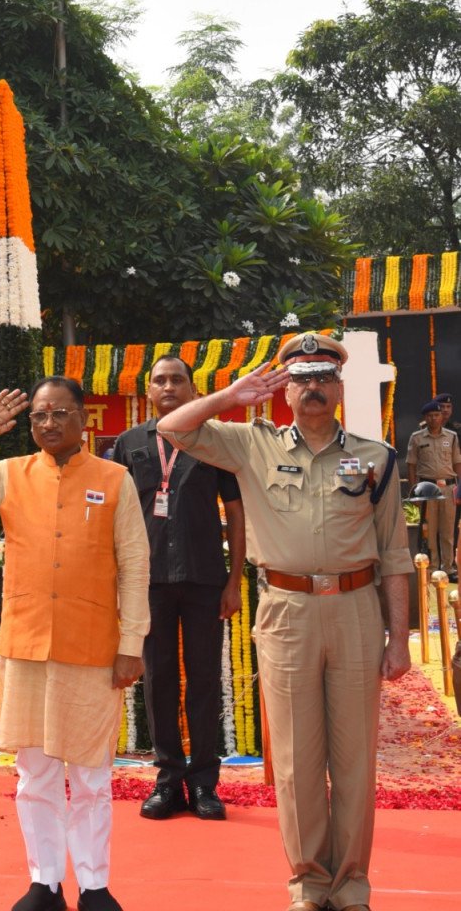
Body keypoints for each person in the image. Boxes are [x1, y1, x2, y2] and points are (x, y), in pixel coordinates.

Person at [157, 332, 411, 911]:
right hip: (287, 612)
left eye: (323, 377)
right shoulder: (252, 444)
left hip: (355, 609)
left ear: (339, 388)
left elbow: (395, 554)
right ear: (285, 391)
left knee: (354, 759)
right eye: (300, 378)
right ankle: (308, 884)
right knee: (296, 760)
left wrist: (398, 638)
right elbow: (172, 428)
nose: (313, 387)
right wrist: (230, 396)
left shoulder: (376, 457)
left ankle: (352, 886)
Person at [0, 377, 149, 911]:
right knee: (34, 775)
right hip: (26, 645)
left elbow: (136, 564)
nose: (49, 423)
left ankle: (93, 886)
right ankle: (44, 882)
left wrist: (132, 643)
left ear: (83, 420)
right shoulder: (11, 475)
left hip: (93, 646)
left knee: (91, 776)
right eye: (39, 416)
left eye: (60, 413)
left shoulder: (114, 479)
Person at [113, 355, 244, 823]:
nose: (168, 387)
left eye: (177, 380)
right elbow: (114, 516)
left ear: (192, 389)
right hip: (148, 582)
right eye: (160, 380)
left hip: (205, 579)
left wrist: (234, 581)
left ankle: (205, 782)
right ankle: (168, 780)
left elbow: (236, 513)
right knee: (159, 680)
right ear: (149, 391)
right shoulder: (129, 444)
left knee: (204, 679)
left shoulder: (213, 441)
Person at [407, 399, 461, 577]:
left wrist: (460, 487)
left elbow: (457, 462)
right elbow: (411, 465)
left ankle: (448, 567)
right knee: (429, 531)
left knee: (448, 531)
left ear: (441, 416)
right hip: (427, 489)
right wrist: (413, 492)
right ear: (425, 417)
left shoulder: (451, 437)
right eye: (430, 416)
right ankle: (432, 567)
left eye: (437, 415)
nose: (434, 418)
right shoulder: (417, 438)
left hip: (448, 488)